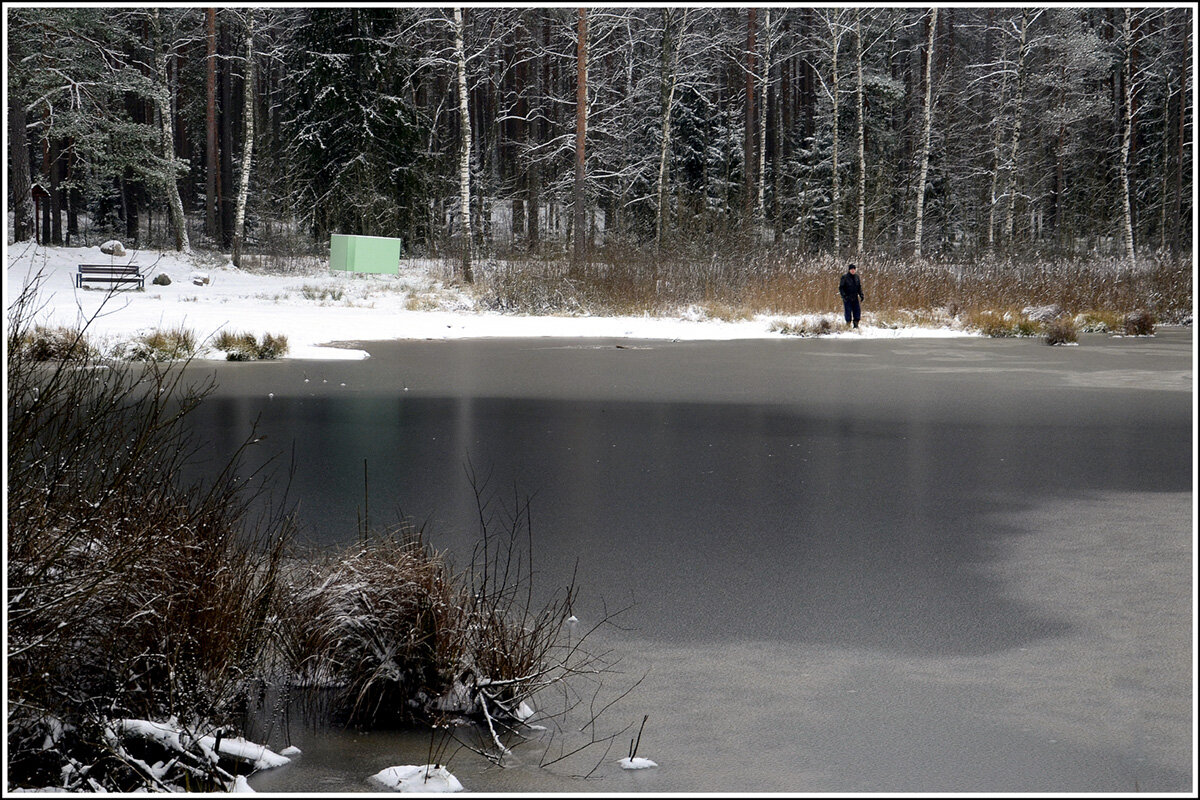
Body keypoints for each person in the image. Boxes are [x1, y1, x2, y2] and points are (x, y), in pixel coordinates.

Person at [838, 263, 864, 328]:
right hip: (847, 297)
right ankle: (848, 324)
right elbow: (841, 288)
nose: (853, 271)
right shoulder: (845, 277)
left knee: (857, 311)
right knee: (848, 311)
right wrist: (844, 296)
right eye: (851, 269)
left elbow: (859, 287)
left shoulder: (857, 277)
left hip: (855, 297)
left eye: (854, 269)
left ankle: (856, 324)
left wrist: (861, 295)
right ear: (849, 270)